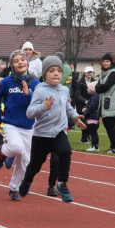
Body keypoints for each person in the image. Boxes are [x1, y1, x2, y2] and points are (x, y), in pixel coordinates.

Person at [19, 55, 86, 202]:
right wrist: (44, 107)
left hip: (59, 132)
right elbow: (29, 113)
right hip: (42, 135)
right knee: (35, 166)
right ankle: (27, 181)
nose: (56, 73)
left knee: (65, 152)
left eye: (58, 71)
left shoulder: (63, 90)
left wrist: (75, 116)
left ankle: (62, 184)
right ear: (44, 75)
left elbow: (66, 106)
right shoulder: (40, 90)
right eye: (51, 71)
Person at [0, 49, 40, 201]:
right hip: (11, 123)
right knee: (16, 147)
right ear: (12, 65)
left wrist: (28, 94)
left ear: (27, 62)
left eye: (23, 59)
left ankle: (14, 188)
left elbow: (38, 104)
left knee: (25, 162)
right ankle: (2, 152)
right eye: (16, 60)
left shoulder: (36, 82)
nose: (20, 62)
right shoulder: (6, 82)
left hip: (29, 127)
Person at [91, 53, 115, 153]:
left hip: (112, 102)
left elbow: (105, 86)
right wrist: (99, 87)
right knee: (107, 124)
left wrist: (99, 87)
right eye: (104, 61)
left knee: (110, 125)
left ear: (111, 62)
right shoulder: (105, 73)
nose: (105, 63)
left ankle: (114, 147)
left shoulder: (114, 73)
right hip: (106, 102)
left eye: (107, 61)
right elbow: (97, 87)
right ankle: (113, 147)